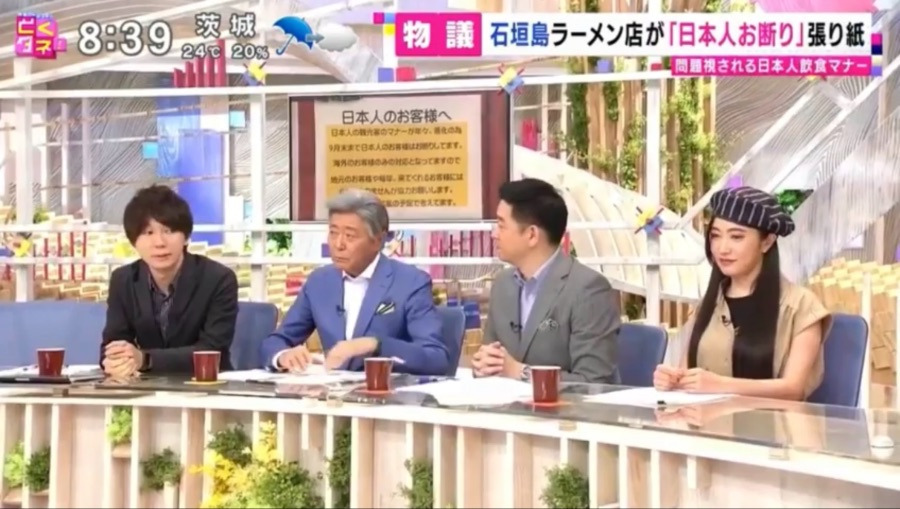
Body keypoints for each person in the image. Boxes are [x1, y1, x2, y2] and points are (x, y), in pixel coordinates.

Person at [653, 186, 832, 401]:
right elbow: (687, 373)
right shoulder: (707, 305)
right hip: (706, 420)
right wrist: (672, 380)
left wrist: (721, 385)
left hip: (773, 421)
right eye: (715, 236)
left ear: (767, 242)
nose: (722, 248)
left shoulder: (801, 305)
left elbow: (793, 389)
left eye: (736, 237)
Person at [259, 189, 450, 376]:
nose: (338, 244)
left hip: (388, 392)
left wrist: (375, 345)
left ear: (378, 240)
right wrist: (283, 356)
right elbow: (275, 342)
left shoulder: (411, 283)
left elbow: (436, 358)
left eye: (350, 236)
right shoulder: (319, 282)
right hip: (332, 393)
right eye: (333, 233)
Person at [472, 178, 620, 383]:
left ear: (532, 235)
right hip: (505, 403)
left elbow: (594, 383)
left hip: (564, 405)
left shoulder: (588, 289)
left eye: (501, 225)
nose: (494, 234)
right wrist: (483, 365)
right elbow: (492, 358)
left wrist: (522, 373)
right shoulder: (502, 284)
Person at [101, 185, 238, 376]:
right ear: (134, 242)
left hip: (206, 382)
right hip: (146, 386)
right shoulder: (123, 280)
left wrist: (145, 359)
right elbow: (113, 343)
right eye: (148, 233)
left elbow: (212, 349)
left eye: (168, 231)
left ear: (186, 237)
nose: (159, 243)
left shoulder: (219, 279)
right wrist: (115, 359)